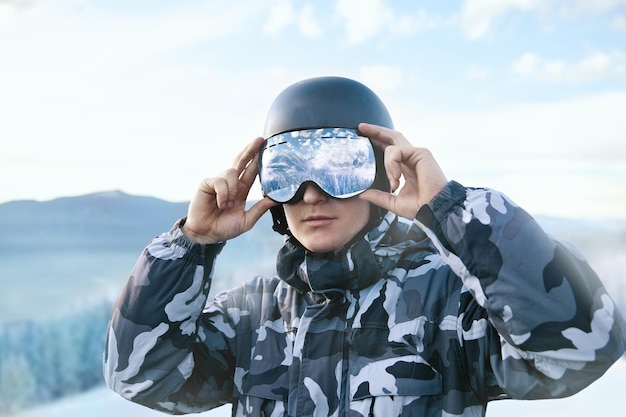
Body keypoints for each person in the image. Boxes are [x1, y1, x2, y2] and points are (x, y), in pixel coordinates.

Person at [103, 76, 626, 417]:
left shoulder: (446, 303)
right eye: (287, 172)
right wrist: (190, 245)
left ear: (379, 173)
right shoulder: (253, 316)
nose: (310, 195)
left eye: (339, 168)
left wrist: (450, 208)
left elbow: (580, 349)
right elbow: (141, 375)